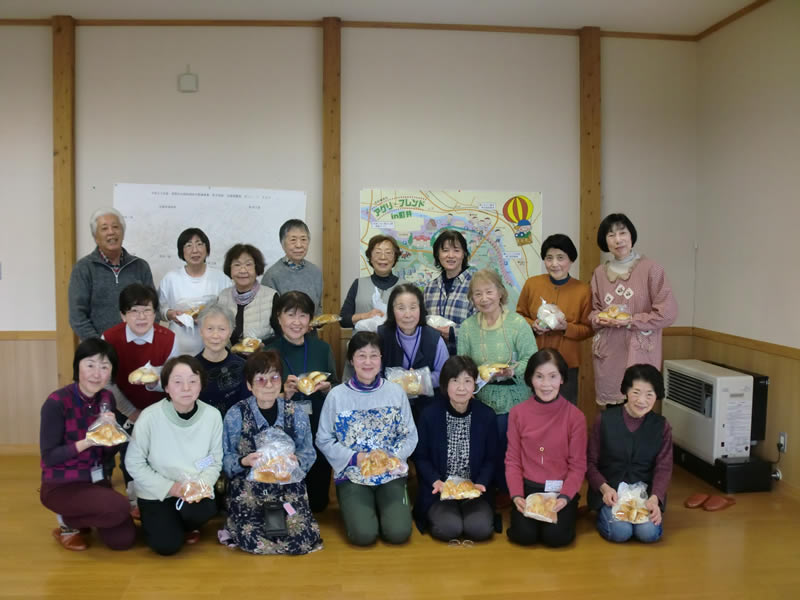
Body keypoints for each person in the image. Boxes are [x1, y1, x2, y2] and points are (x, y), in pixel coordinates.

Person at [316, 332, 418, 546]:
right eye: (361, 356)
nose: (368, 362)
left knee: (398, 533)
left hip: (390, 473)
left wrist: (390, 458)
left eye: (374, 355)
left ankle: (389, 508)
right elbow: (323, 439)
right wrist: (356, 458)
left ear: (381, 359)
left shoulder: (396, 392)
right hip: (353, 474)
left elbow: (409, 435)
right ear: (351, 360)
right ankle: (362, 509)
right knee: (364, 535)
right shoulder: (337, 395)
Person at [221, 351, 323, 555]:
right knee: (250, 537)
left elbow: (309, 452)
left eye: (274, 377)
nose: (268, 384)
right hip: (250, 489)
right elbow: (225, 458)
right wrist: (244, 461)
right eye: (260, 379)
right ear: (249, 385)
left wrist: (297, 461)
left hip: (288, 487)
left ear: (281, 381)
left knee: (301, 538)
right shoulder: (236, 414)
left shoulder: (296, 413)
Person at [39, 338, 136, 552]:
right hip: (61, 484)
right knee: (120, 507)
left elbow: (107, 454)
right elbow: (49, 457)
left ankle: (81, 518)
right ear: (78, 366)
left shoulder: (107, 398)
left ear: (111, 372)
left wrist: (112, 434)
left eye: (104, 367)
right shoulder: (56, 402)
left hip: (95, 479)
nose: (96, 373)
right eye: (90, 365)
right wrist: (87, 441)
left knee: (124, 540)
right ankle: (67, 522)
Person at [125, 356, 223, 556]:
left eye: (193, 381)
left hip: (192, 491)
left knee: (207, 508)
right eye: (177, 382)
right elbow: (133, 463)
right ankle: (161, 522)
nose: (186, 387)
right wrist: (171, 488)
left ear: (201, 385)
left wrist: (200, 486)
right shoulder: (150, 417)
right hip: (157, 492)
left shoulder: (212, 416)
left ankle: (181, 525)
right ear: (166, 387)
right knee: (166, 546)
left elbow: (214, 459)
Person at [456, 268, 537, 490]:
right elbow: (462, 365)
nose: (484, 298)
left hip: (515, 396)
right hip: (480, 398)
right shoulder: (467, 328)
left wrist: (512, 371)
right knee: (482, 443)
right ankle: (485, 488)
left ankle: (509, 489)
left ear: (500, 292)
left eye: (489, 292)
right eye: (477, 294)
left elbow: (532, 359)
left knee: (507, 439)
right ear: (471, 298)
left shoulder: (518, 324)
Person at [590, 214, 678, 405]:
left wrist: (631, 320)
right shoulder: (599, 273)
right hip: (609, 354)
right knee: (613, 415)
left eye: (623, 233)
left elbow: (667, 313)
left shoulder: (651, 269)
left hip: (640, 352)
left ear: (631, 236)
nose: (618, 239)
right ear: (605, 240)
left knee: (639, 406)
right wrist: (599, 318)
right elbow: (594, 310)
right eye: (611, 235)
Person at [264, 291, 339, 512]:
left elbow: (335, 385)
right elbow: (261, 397)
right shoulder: (269, 351)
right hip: (282, 425)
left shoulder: (322, 348)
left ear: (310, 320)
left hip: (316, 419)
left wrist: (326, 388)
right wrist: (282, 393)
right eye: (290, 315)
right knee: (286, 499)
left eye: (303, 316)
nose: (297, 322)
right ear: (279, 318)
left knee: (317, 504)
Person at [506, 349, 587, 548]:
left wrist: (566, 497)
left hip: (559, 491)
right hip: (528, 489)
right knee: (523, 536)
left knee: (556, 538)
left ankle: (570, 511)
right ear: (530, 379)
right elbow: (513, 460)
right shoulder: (517, 413)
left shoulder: (575, 417)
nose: (546, 384)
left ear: (562, 379)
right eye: (539, 376)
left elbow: (578, 465)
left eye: (553, 376)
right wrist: (517, 495)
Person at [413, 356, 497, 542]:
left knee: (480, 529)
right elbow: (420, 456)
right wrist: (435, 481)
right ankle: (450, 515)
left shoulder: (486, 415)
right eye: (455, 380)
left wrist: (481, 482)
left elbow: (492, 458)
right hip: (441, 492)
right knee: (450, 528)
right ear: (445, 384)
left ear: (474, 384)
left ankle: (468, 512)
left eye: (467, 381)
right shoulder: (430, 414)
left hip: (474, 491)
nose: (461, 387)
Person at [587, 364, 673, 543]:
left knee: (648, 534)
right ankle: (603, 514)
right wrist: (604, 488)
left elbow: (663, 468)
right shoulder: (605, 420)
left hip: (644, 496)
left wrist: (655, 497)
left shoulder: (661, 426)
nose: (642, 400)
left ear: (657, 396)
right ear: (626, 391)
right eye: (636, 392)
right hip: (611, 494)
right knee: (620, 532)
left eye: (649, 394)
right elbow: (589, 462)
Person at [516, 234, 592, 405]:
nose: (554, 264)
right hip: (534, 361)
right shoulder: (532, 284)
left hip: (567, 365)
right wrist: (532, 325)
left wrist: (566, 328)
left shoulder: (583, 290)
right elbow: (519, 316)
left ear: (571, 260)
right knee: (533, 410)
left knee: (565, 411)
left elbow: (588, 329)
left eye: (560, 258)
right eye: (549, 258)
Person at [68, 207, 154, 341]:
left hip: (139, 346)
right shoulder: (83, 268)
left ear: (123, 233)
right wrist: (100, 346)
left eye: (115, 227)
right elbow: (77, 316)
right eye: (104, 228)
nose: (111, 232)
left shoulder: (140, 266)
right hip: (100, 351)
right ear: (95, 237)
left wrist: (143, 340)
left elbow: (154, 308)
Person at [378, 283, 449, 422]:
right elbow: (374, 371)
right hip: (389, 407)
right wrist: (396, 382)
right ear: (392, 310)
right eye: (401, 308)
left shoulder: (434, 338)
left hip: (428, 409)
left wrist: (417, 381)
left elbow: (444, 374)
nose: (407, 314)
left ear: (421, 309)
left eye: (413, 307)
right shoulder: (381, 335)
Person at [158, 227, 231, 355]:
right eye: (188, 245)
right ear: (182, 251)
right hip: (180, 346)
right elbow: (160, 308)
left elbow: (230, 310)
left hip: (213, 347)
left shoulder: (221, 278)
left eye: (199, 244)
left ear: (206, 248)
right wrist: (171, 314)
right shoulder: (171, 278)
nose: (195, 250)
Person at [423, 229, 477, 355]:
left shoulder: (476, 285)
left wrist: (453, 333)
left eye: (456, 250)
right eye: (445, 250)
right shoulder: (429, 289)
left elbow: (484, 325)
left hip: (466, 361)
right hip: (435, 360)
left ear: (464, 254)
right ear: (438, 254)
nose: (451, 255)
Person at [216, 243, 279, 346]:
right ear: (230, 269)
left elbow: (282, 335)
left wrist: (262, 345)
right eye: (237, 265)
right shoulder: (222, 297)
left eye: (248, 264)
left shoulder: (271, 297)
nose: (242, 270)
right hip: (229, 359)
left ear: (256, 268)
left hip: (261, 358)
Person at [195, 304, 250, 418]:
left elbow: (248, 407)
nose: (215, 335)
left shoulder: (243, 366)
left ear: (230, 332)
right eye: (209, 329)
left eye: (222, 329)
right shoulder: (191, 368)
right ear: (201, 331)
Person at [339, 235, 405, 329]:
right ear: (370, 257)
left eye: (388, 252)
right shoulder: (358, 284)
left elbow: (418, 319)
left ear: (395, 257)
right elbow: (343, 320)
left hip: (395, 343)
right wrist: (364, 316)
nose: (383, 257)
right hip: (362, 342)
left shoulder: (407, 287)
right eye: (377, 252)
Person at [261, 219, 323, 314]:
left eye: (303, 239)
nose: (299, 245)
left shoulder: (315, 272)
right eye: (293, 240)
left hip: (311, 328)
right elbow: (267, 314)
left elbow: (318, 308)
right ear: (282, 243)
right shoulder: (272, 275)